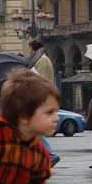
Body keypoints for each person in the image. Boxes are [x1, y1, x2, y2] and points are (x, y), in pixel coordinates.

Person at [29, 38, 61, 167]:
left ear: (33, 48)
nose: (29, 50)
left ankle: (51, 155)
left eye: (30, 48)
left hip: (41, 98)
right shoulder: (43, 58)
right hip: (42, 98)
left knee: (33, 129)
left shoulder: (41, 60)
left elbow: (40, 80)